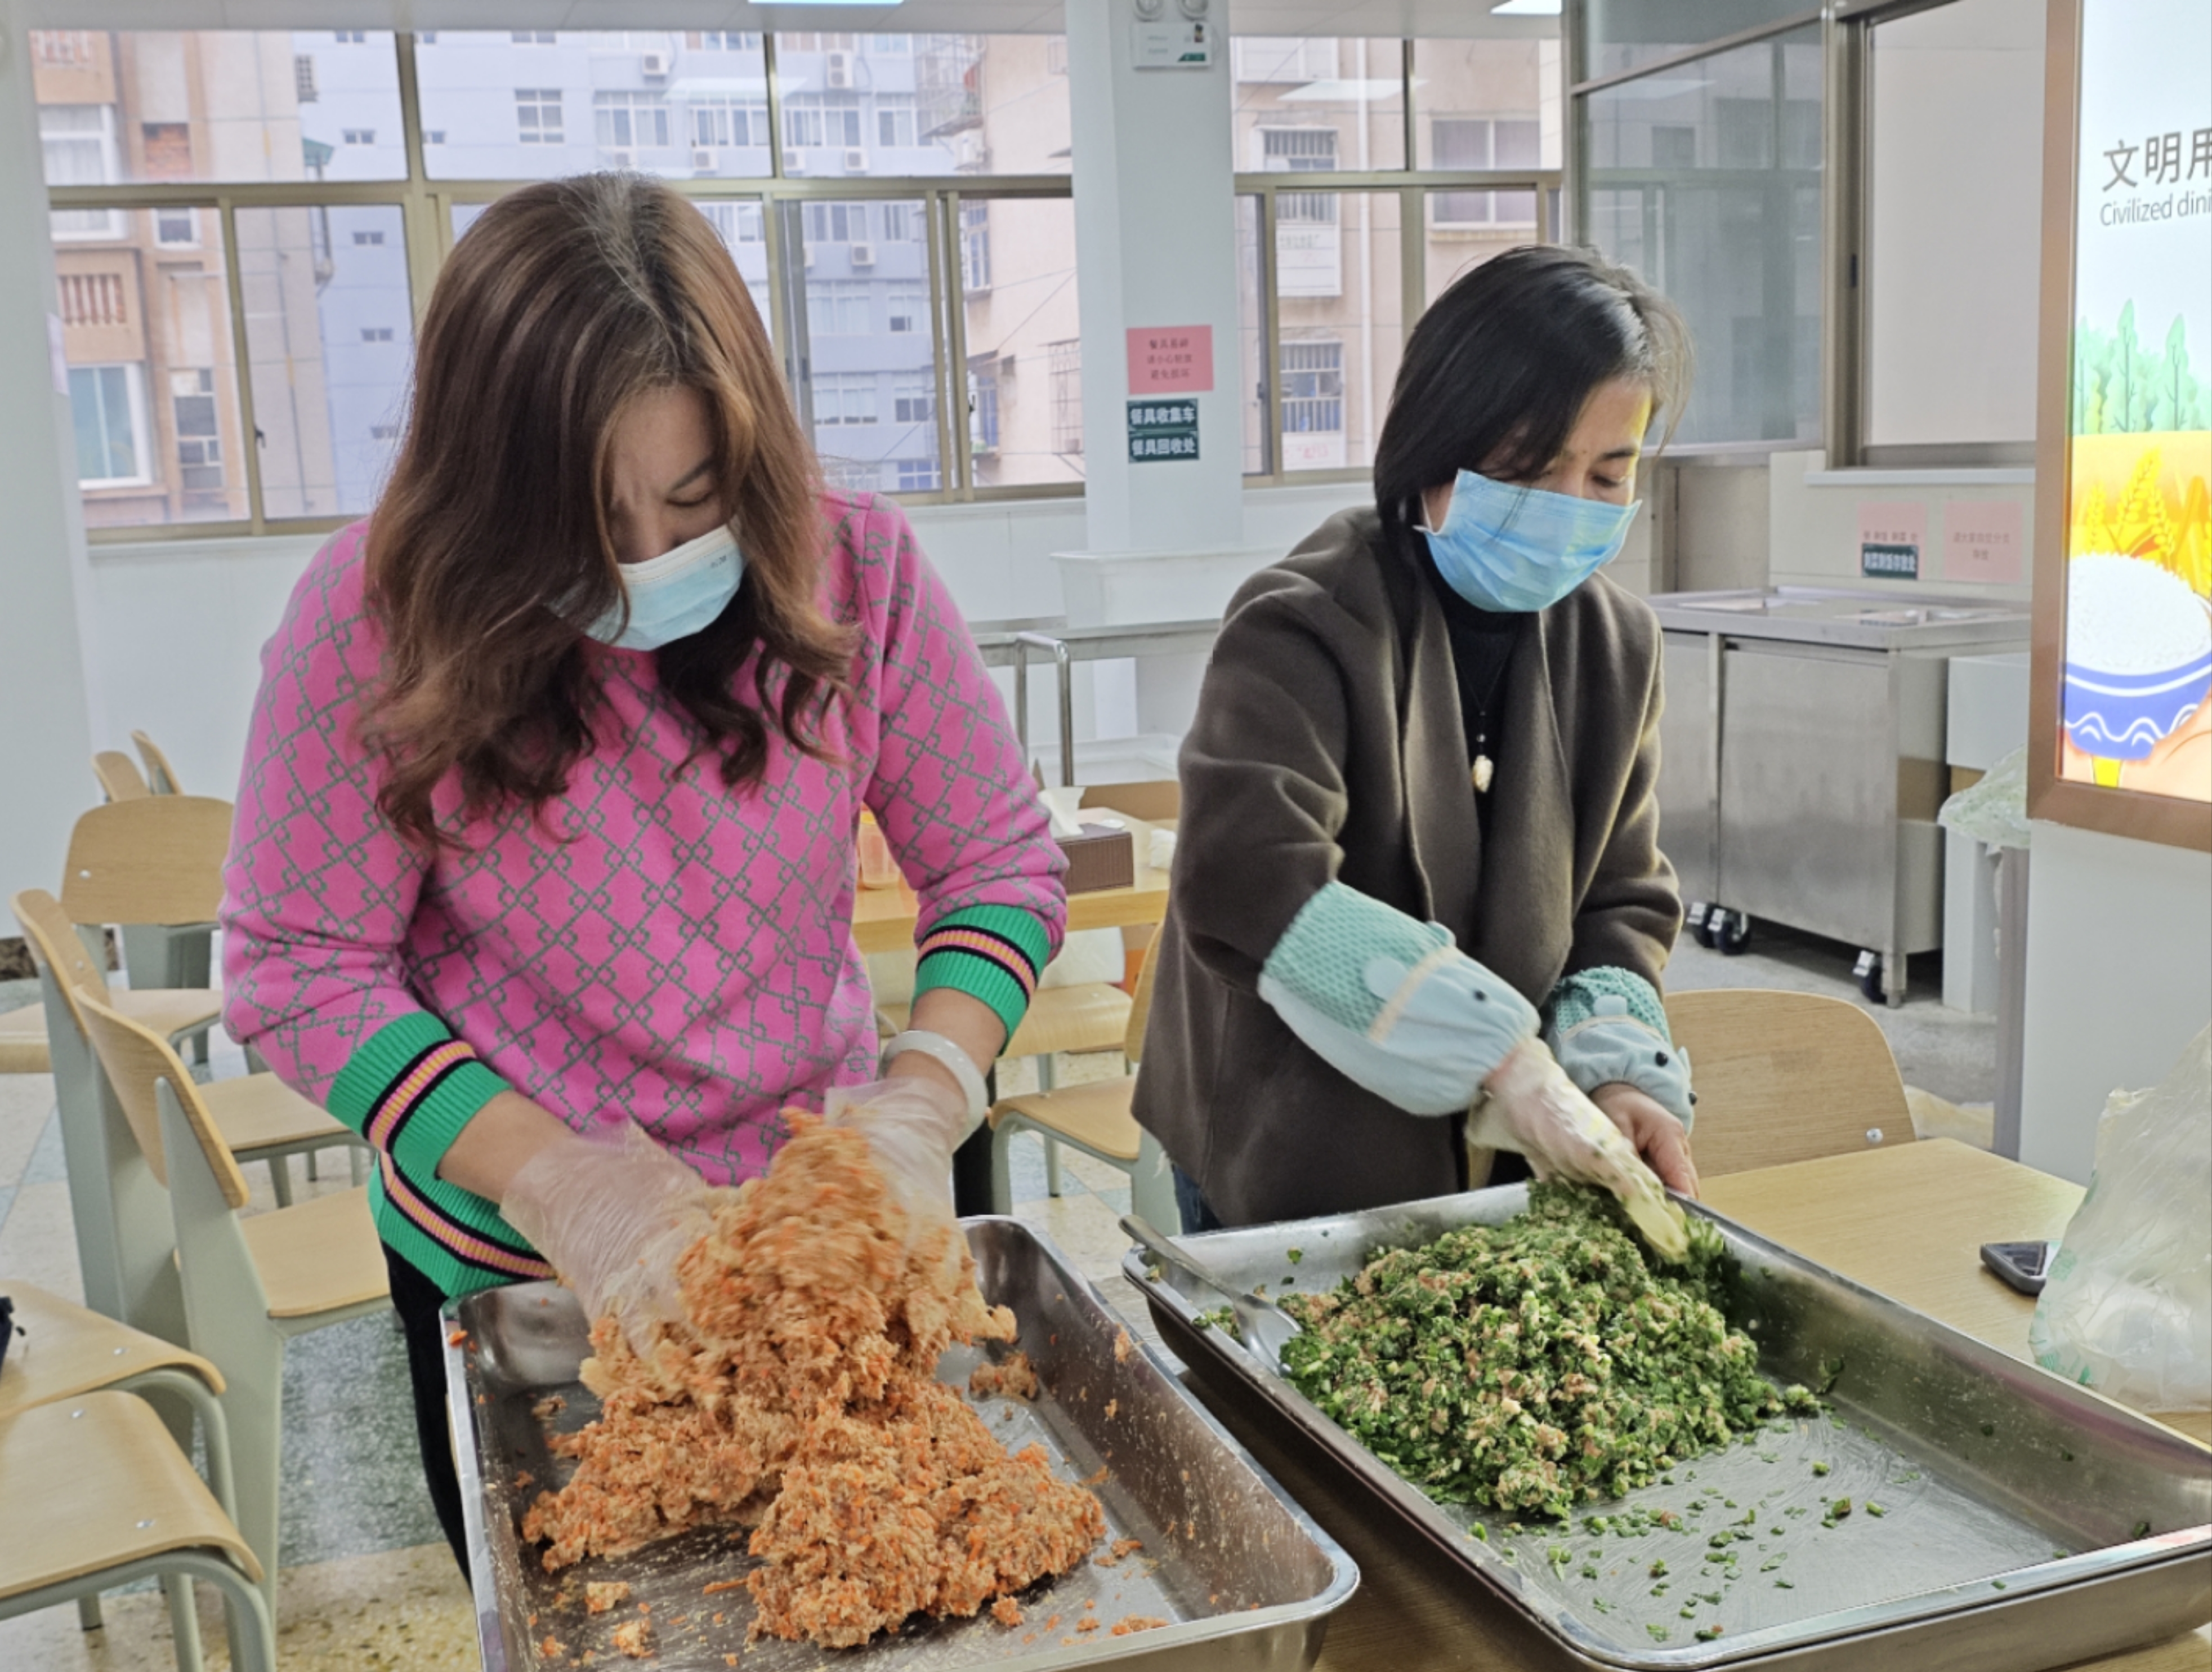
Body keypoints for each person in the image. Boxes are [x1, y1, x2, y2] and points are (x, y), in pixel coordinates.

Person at [220, 174, 1065, 1573]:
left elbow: (994, 861)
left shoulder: (856, 567)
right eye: (588, 522)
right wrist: (562, 1183)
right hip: (523, 1275)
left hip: (819, 1254)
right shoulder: (371, 619)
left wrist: (924, 1099)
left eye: (693, 501)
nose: (648, 562)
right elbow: (299, 968)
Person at [1134, 245, 1700, 1234]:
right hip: (1293, 1148)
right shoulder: (1305, 620)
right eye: (1529, 469)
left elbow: (1618, 897)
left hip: (1503, 1176)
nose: (1568, 506)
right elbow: (1248, 880)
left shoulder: (1614, 645)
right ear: (1436, 445)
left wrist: (1614, 1071)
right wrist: (1502, 1059)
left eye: (1608, 474)